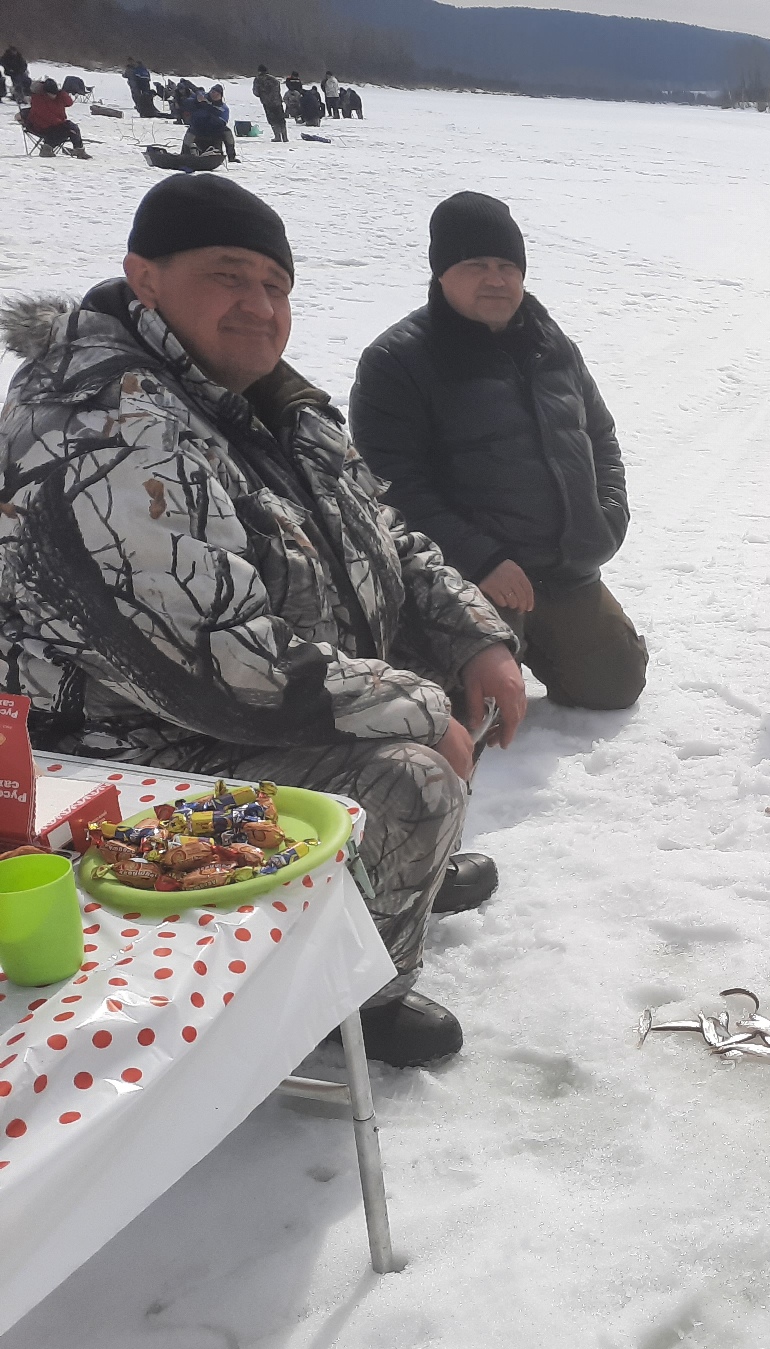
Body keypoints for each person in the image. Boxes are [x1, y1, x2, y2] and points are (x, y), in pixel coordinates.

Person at [0, 176, 524, 1068]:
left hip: (227, 707)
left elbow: (385, 533)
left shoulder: (261, 400)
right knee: (411, 771)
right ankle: (351, 1002)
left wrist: (476, 637)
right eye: (228, 275)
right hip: (127, 753)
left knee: (432, 681)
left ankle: (390, 870)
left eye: (276, 285)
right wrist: (420, 709)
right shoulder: (104, 424)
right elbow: (220, 668)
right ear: (145, 277)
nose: (259, 305)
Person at [351, 193, 647, 712]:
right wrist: (480, 559)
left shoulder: (550, 344)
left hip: (561, 570)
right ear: (442, 272)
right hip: (466, 579)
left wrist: (608, 514)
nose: (495, 279)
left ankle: (543, 641)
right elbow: (392, 485)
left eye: (507, 266)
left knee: (615, 686)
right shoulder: (397, 360)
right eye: (475, 265)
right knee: (474, 714)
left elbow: (599, 435)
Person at [22, 79, 87, 159]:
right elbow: (44, 115)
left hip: (57, 124)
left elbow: (69, 103)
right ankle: (47, 148)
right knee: (67, 130)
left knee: (73, 128)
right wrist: (60, 123)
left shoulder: (59, 96)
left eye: (55, 94)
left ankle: (79, 150)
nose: (54, 96)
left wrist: (63, 93)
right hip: (40, 126)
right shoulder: (38, 98)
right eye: (51, 94)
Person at [184, 84, 237, 164]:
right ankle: (184, 155)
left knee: (228, 133)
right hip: (198, 127)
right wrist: (196, 101)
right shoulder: (201, 98)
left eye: (217, 94)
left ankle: (231, 157)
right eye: (213, 92)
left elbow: (222, 122)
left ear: (221, 96)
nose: (214, 95)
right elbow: (186, 103)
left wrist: (210, 113)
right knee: (190, 133)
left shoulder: (223, 108)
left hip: (214, 130)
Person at [253, 64, 288, 141]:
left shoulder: (258, 80)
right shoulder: (274, 79)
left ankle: (277, 137)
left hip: (267, 103)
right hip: (277, 102)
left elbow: (256, 92)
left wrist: (263, 95)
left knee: (272, 120)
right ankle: (285, 137)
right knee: (281, 119)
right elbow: (278, 89)